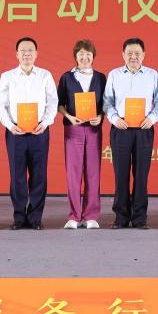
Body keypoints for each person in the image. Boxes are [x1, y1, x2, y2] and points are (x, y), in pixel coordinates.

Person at [0, 37, 58, 230]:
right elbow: (0, 104)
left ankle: (35, 218)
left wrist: (45, 123)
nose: (26, 54)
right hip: (16, 132)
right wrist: (9, 125)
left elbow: (53, 102)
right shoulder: (7, 76)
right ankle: (19, 217)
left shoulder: (45, 75)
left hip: (39, 132)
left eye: (30, 50)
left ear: (36, 54)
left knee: (39, 176)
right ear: (17, 54)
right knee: (17, 177)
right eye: (22, 51)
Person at [103, 38, 158, 229]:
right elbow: (107, 101)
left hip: (144, 128)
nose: (133, 57)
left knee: (141, 175)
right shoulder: (114, 75)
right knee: (121, 174)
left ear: (144, 55)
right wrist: (115, 118)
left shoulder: (152, 75)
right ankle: (121, 218)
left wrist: (152, 118)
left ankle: (139, 218)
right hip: (120, 128)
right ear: (123, 55)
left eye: (137, 53)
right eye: (129, 53)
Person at [56, 39, 107, 229]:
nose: (84, 57)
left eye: (88, 54)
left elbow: (106, 104)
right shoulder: (67, 77)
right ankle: (74, 216)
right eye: (81, 54)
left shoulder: (101, 78)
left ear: (93, 56)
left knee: (93, 172)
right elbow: (59, 104)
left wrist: (100, 117)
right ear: (75, 57)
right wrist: (69, 116)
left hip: (94, 129)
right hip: (73, 129)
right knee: (73, 173)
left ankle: (91, 216)